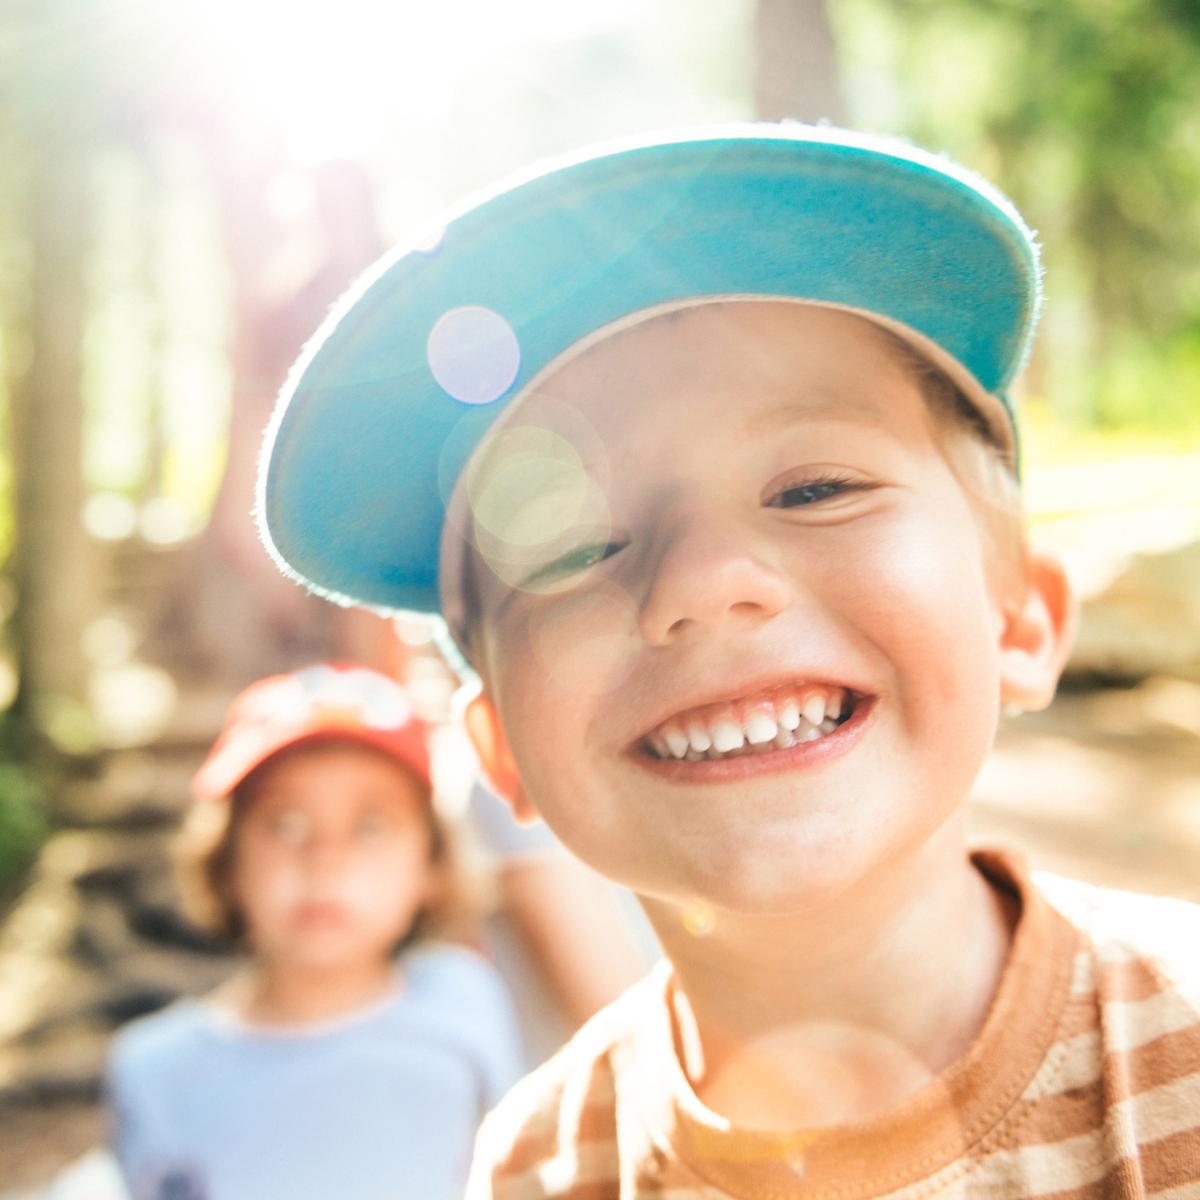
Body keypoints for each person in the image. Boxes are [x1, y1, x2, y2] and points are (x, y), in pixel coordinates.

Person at [256, 127, 1200, 1197]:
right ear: (501, 751)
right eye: (573, 550)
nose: (701, 580)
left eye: (816, 488)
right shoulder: (535, 1169)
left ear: (1020, 617)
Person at [105, 663, 522, 1200]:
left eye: (369, 826)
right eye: (286, 823)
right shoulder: (153, 1072)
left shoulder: (465, 998)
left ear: (432, 865)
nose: (325, 860)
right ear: (226, 861)